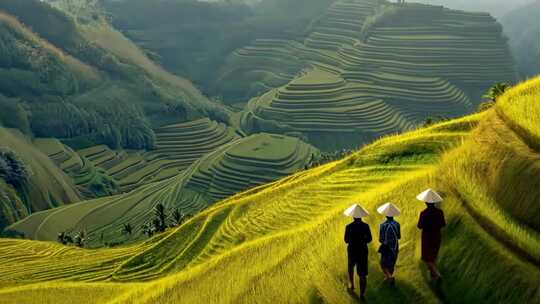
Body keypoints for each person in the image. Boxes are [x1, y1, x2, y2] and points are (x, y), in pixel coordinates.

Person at [344, 204, 372, 301]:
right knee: (362, 274)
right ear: (361, 216)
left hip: (352, 251)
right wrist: (363, 240)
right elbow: (369, 239)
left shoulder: (348, 227)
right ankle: (362, 294)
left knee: (350, 267)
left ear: (353, 216)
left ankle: (352, 284)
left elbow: (346, 240)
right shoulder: (366, 226)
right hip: (363, 251)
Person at [416, 189, 446, 281]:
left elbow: (419, 226)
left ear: (426, 203)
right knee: (433, 256)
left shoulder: (424, 213)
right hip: (436, 236)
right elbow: (443, 224)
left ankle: (437, 274)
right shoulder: (439, 212)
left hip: (427, 237)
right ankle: (433, 278)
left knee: (426, 258)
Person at [377, 202, 401, 284]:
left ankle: (389, 277)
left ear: (385, 215)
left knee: (383, 264)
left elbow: (380, 239)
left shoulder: (382, 225)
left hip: (386, 247)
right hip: (395, 246)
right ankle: (389, 278)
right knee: (392, 264)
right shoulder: (397, 224)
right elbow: (399, 236)